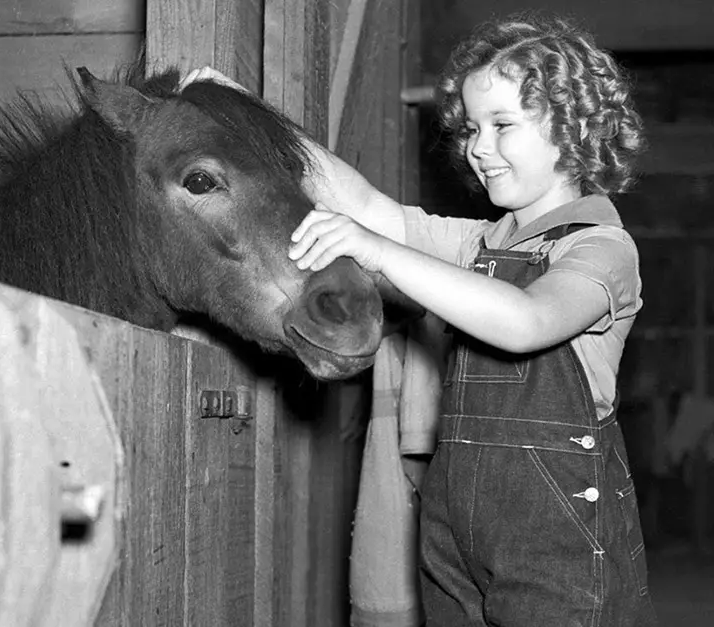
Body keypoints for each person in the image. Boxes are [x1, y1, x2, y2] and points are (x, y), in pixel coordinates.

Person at [184, 12, 657, 626]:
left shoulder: (600, 248)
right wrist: (243, 111)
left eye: (502, 126)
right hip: (455, 523)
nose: (478, 148)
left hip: (556, 533)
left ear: (572, 132)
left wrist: (381, 254)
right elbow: (370, 208)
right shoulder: (485, 243)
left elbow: (527, 321)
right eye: (471, 129)